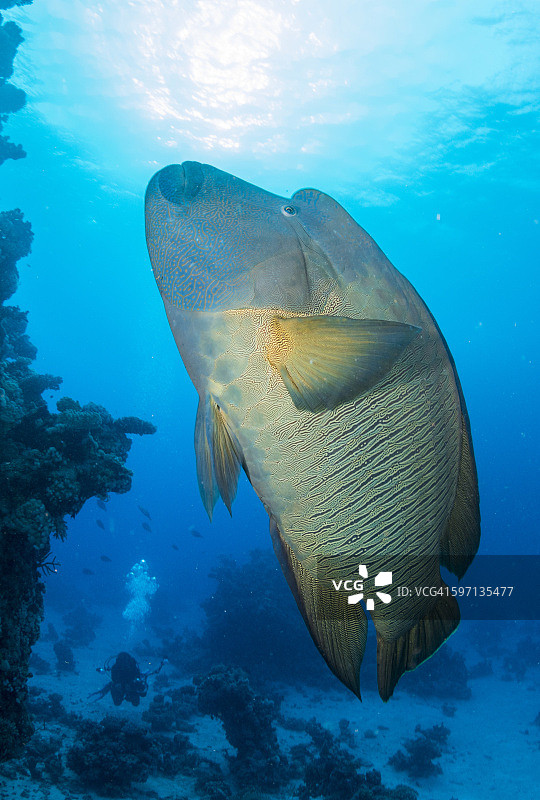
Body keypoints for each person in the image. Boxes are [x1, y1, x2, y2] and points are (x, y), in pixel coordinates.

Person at [89, 651, 166, 706]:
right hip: (120, 687)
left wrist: (138, 687)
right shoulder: (115, 668)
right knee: (117, 702)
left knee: (135, 703)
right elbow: (114, 680)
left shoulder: (133, 668)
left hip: (131, 687)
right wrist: (118, 686)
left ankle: (115, 690)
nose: (124, 666)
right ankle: (109, 688)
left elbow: (143, 692)